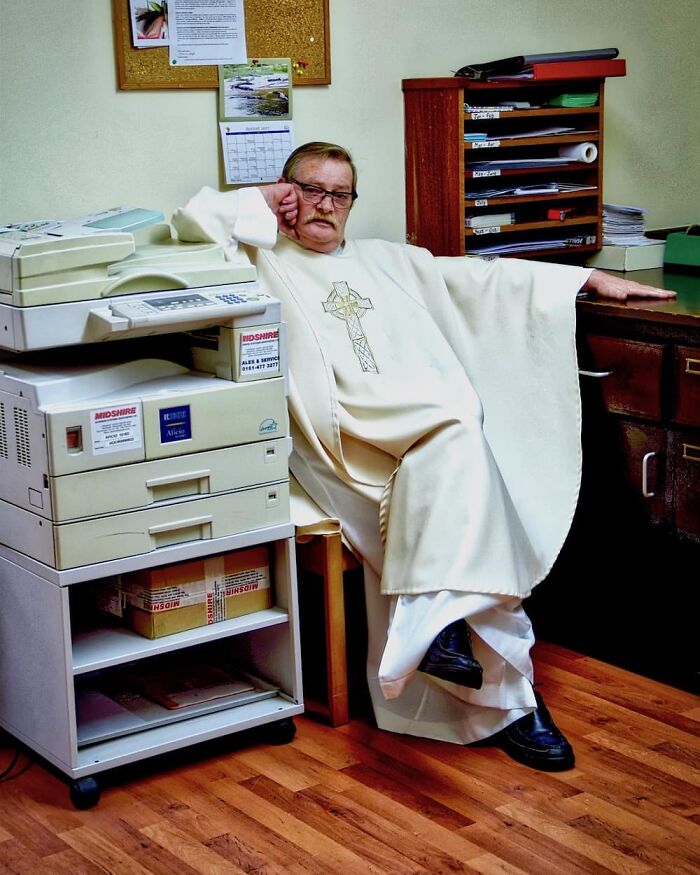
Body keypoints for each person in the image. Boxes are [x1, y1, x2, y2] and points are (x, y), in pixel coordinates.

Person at [172, 142, 675, 771]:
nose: (325, 205)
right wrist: (254, 205)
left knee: (462, 455)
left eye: (340, 194)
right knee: (467, 465)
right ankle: (512, 699)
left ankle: (456, 648)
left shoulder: (388, 261)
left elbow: (487, 279)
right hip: (345, 454)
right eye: (311, 190)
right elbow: (188, 225)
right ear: (286, 192)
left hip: (430, 442)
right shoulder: (258, 258)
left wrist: (585, 279)